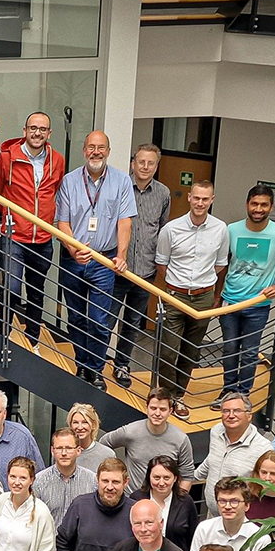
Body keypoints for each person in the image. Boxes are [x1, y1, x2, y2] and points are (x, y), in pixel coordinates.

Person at [55, 130, 135, 389]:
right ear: (84, 150)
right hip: (73, 260)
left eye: (101, 147)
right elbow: (62, 222)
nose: (96, 152)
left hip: (104, 261)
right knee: (76, 318)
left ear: (108, 152)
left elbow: (125, 222)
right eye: (91, 147)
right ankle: (82, 365)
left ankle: (97, 369)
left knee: (100, 320)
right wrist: (71, 249)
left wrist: (121, 256)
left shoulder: (122, 182)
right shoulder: (69, 181)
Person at [152, 180, 228, 417]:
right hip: (174, 295)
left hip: (203, 298)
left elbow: (220, 265)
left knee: (190, 351)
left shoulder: (220, 229)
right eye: (196, 198)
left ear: (212, 200)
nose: (200, 203)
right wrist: (180, 285)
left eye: (205, 199)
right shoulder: (171, 229)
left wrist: (202, 288)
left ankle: (179, 396)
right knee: (168, 351)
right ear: (189, 197)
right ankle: (165, 397)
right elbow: (161, 263)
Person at [219, 184, 275, 399]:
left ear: (271, 207)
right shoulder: (231, 230)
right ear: (247, 204)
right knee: (229, 350)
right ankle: (227, 392)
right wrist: (216, 296)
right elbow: (221, 264)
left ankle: (243, 394)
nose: (258, 208)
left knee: (248, 353)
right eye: (254, 203)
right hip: (230, 300)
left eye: (264, 205)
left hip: (258, 305)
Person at [0, 111, 65, 344]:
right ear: (24, 131)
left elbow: (56, 192)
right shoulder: (7, 158)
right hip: (15, 236)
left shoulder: (58, 160)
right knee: (11, 288)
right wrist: (11, 215)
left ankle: (32, 339)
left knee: (36, 291)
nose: (37, 133)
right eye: (33, 128)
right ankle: (3, 334)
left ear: (49, 134)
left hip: (43, 239)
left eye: (42, 129)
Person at [111, 144, 172, 385]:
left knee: (132, 323)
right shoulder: (119, 187)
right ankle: (96, 365)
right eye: (141, 162)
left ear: (156, 166)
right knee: (106, 319)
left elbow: (162, 229)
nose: (145, 167)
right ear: (133, 163)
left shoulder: (164, 193)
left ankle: (122, 365)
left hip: (145, 271)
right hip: (116, 268)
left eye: (151, 163)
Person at [100, 388, 196, 492]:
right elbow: (102, 445)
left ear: (170, 411)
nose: (157, 413)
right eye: (153, 408)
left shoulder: (181, 439)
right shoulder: (130, 431)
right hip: (132, 500)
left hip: (164, 501)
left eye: (163, 409)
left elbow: (187, 475)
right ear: (147, 408)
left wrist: (178, 502)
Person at [194, 392, 272, 514]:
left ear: (249, 415)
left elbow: (266, 487)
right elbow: (211, 460)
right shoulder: (216, 431)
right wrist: (190, 478)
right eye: (226, 411)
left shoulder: (263, 448)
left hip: (239, 521)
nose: (231, 415)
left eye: (237, 411)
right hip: (213, 515)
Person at [188, 476, 266, 551]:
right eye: (222, 501)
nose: (227, 507)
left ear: (247, 505)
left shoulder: (260, 538)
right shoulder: (204, 529)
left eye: (234, 501)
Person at [129, 454, 198, 551]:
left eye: (166, 478)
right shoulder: (136, 499)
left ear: (175, 478)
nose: (161, 483)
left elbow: (193, 538)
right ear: (149, 477)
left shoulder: (186, 502)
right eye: (156, 478)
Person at [67, 402, 116, 476]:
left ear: (93, 425)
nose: (80, 427)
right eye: (75, 422)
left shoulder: (107, 454)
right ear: (70, 425)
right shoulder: (63, 453)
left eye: (84, 422)